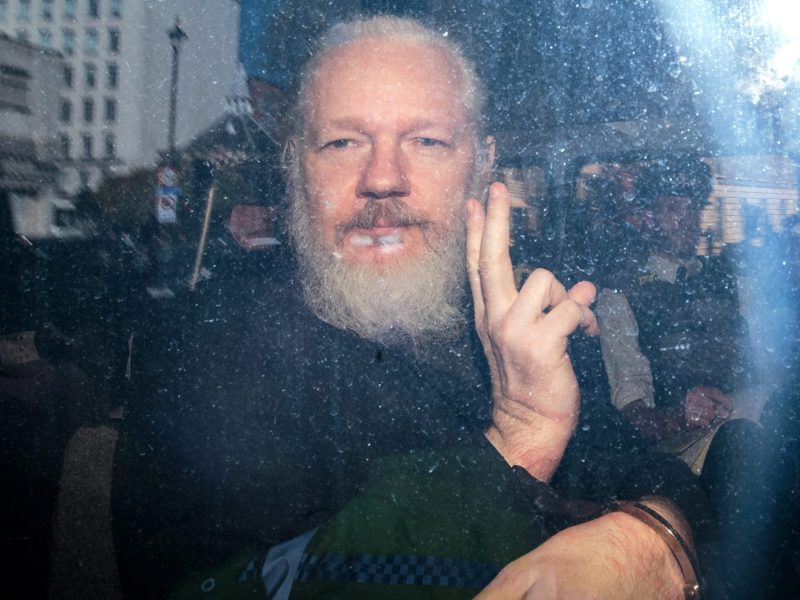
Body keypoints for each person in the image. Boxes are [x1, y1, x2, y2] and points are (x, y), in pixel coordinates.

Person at [112, 17, 706, 599]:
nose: (383, 179)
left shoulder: (523, 336)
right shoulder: (208, 359)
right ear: (296, 163)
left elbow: (657, 481)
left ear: (481, 163)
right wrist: (516, 444)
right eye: (343, 142)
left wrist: (657, 534)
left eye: (426, 141)